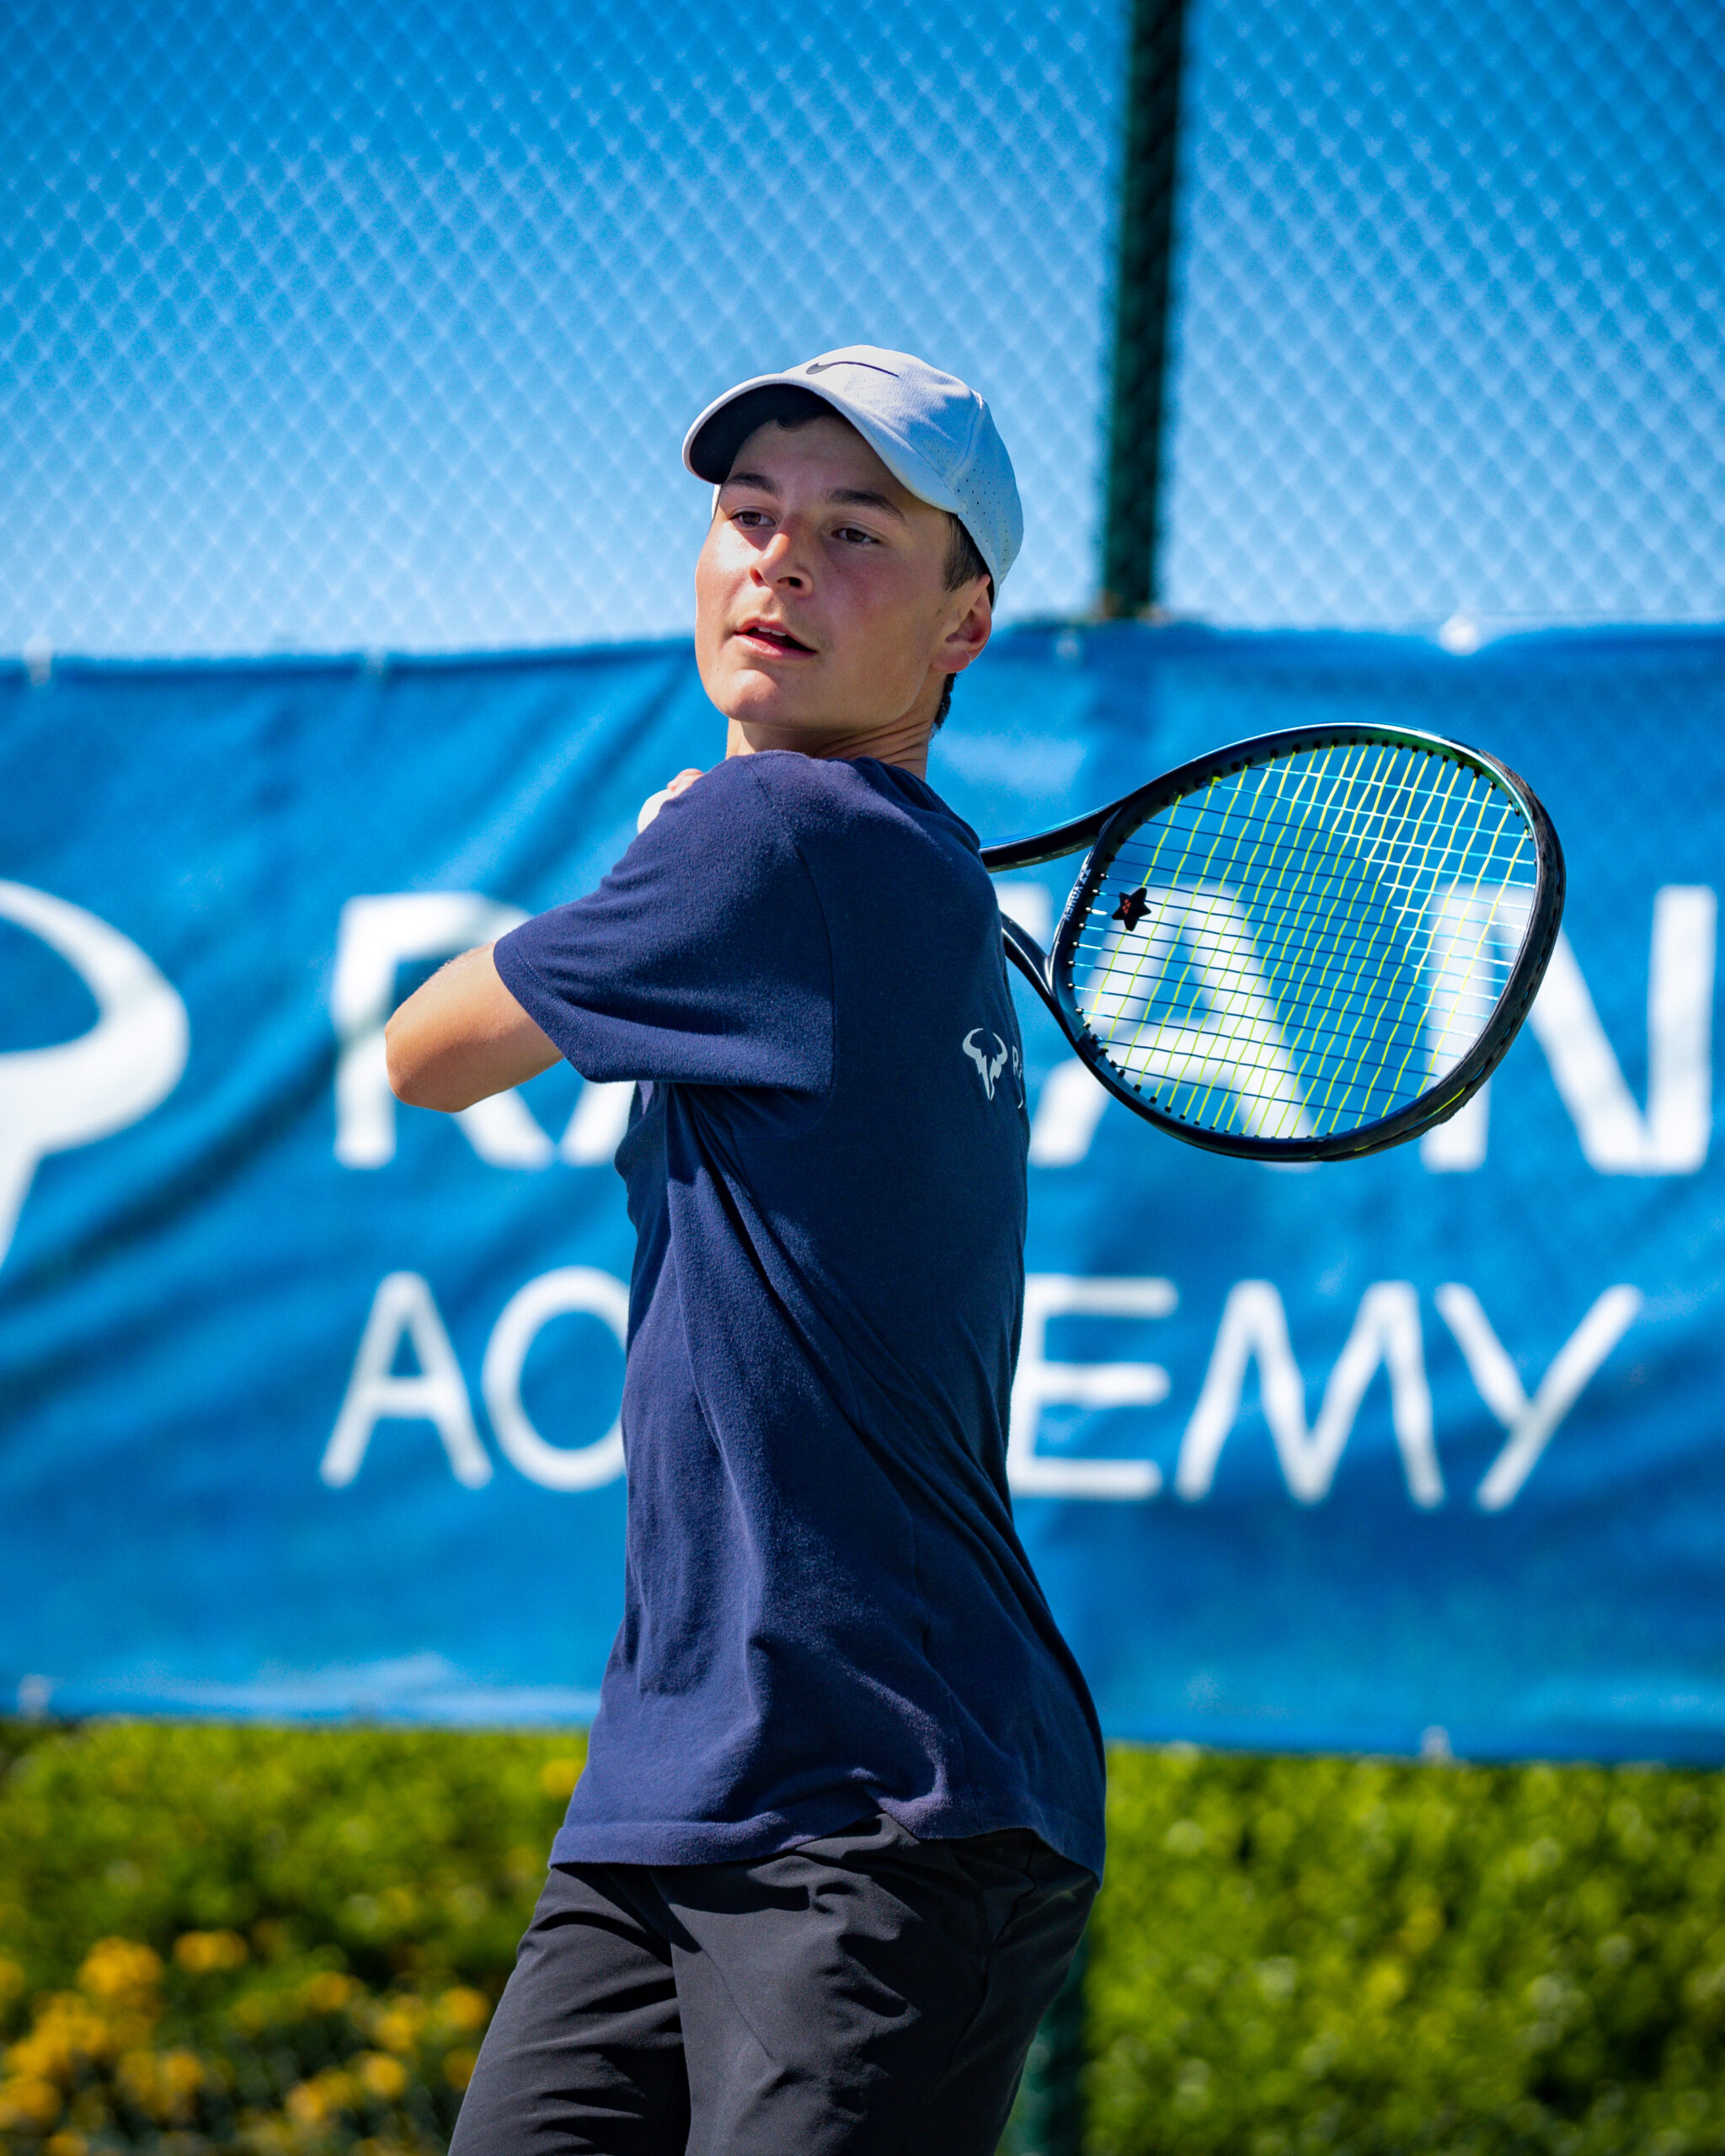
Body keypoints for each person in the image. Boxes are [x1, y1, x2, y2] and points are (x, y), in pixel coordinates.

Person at [386, 346, 1105, 2155]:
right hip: (687, 1790)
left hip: (873, 1809)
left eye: (855, 532)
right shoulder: (907, 870)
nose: (779, 564)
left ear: (963, 623)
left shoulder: (771, 832)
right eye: (749, 516)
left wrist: (660, 841)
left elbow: (426, 1053)